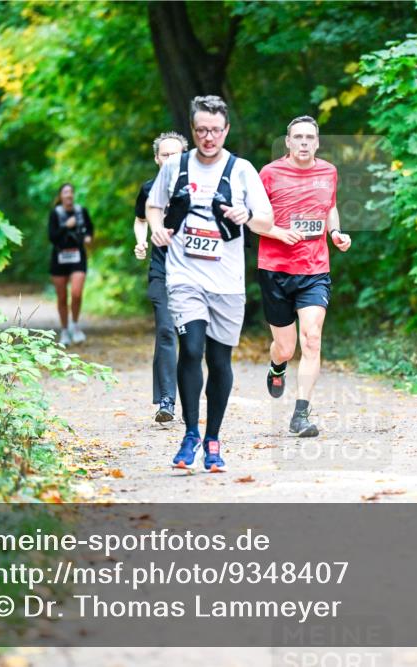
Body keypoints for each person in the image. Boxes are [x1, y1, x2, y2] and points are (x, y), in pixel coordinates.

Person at [145, 95, 275, 472]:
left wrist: (247, 214)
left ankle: (213, 440)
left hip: (227, 282)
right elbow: (153, 206)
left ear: (226, 130)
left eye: (215, 130)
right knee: (191, 349)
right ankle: (190, 434)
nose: (208, 137)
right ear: (193, 129)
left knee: (219, 361)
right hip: (185, 276)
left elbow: (266, 220)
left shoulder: (242, 170)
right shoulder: (176, 168)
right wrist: (157, 230)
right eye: (201, 130)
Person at [256, 115, 351, 436]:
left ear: (318, 142)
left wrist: (336, 232)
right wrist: (279, 232)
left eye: (310, 137)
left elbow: (330, 207)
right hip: (275, 270)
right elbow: (253, 219)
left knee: (311, 340)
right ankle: (277, 365)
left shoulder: (329, 172)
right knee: (285, 347)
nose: (304, 143)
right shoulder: (269, 174)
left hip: (314, 270)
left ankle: (300, 415)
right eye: (298, 137)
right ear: (287, 142)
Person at [134, 131, 189, 423]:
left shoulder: (198, 188)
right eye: (165, 155)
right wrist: (141, 241)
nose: (170, 160)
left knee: (192, 339)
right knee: (166, 330)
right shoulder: (148, 189)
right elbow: (140, 219)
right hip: (162, 270)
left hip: (195, 273)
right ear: (156, 159)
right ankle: (166, 401)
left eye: (176, 154)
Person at [48, 183, 93, 347]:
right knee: (61, 297)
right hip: (59, 258)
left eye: (71, 192)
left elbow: (90, 229)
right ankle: (65, 330)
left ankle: (75, 325)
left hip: (78, 257)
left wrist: (88, 237)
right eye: (65, 192)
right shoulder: (55, 213)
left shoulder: (81, 211)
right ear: (60, 196)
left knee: (76, 293)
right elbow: (52, 237)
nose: (69, 195)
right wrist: (66, 226)